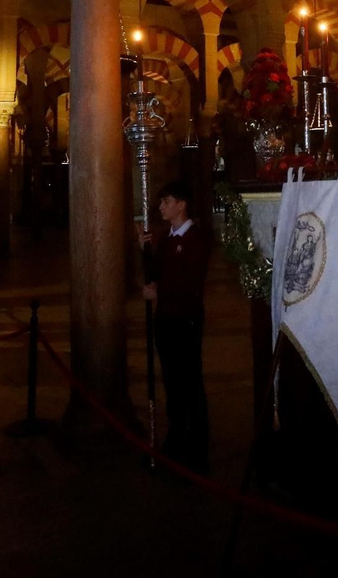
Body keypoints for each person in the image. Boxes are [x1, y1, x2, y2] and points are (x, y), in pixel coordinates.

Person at [139, 179, 210, 472]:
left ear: (181, 205)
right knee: (170, 379)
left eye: (166, 201)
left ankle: (197, 441)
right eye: (160, 202)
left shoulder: (196, 238)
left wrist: (160, 292)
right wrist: (144, 250)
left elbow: (190, 282)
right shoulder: (166, 239)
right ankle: (176, 436)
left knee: (189, 380)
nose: (161, 207)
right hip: (166, 319)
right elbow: (156, 272)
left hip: (185, 318)